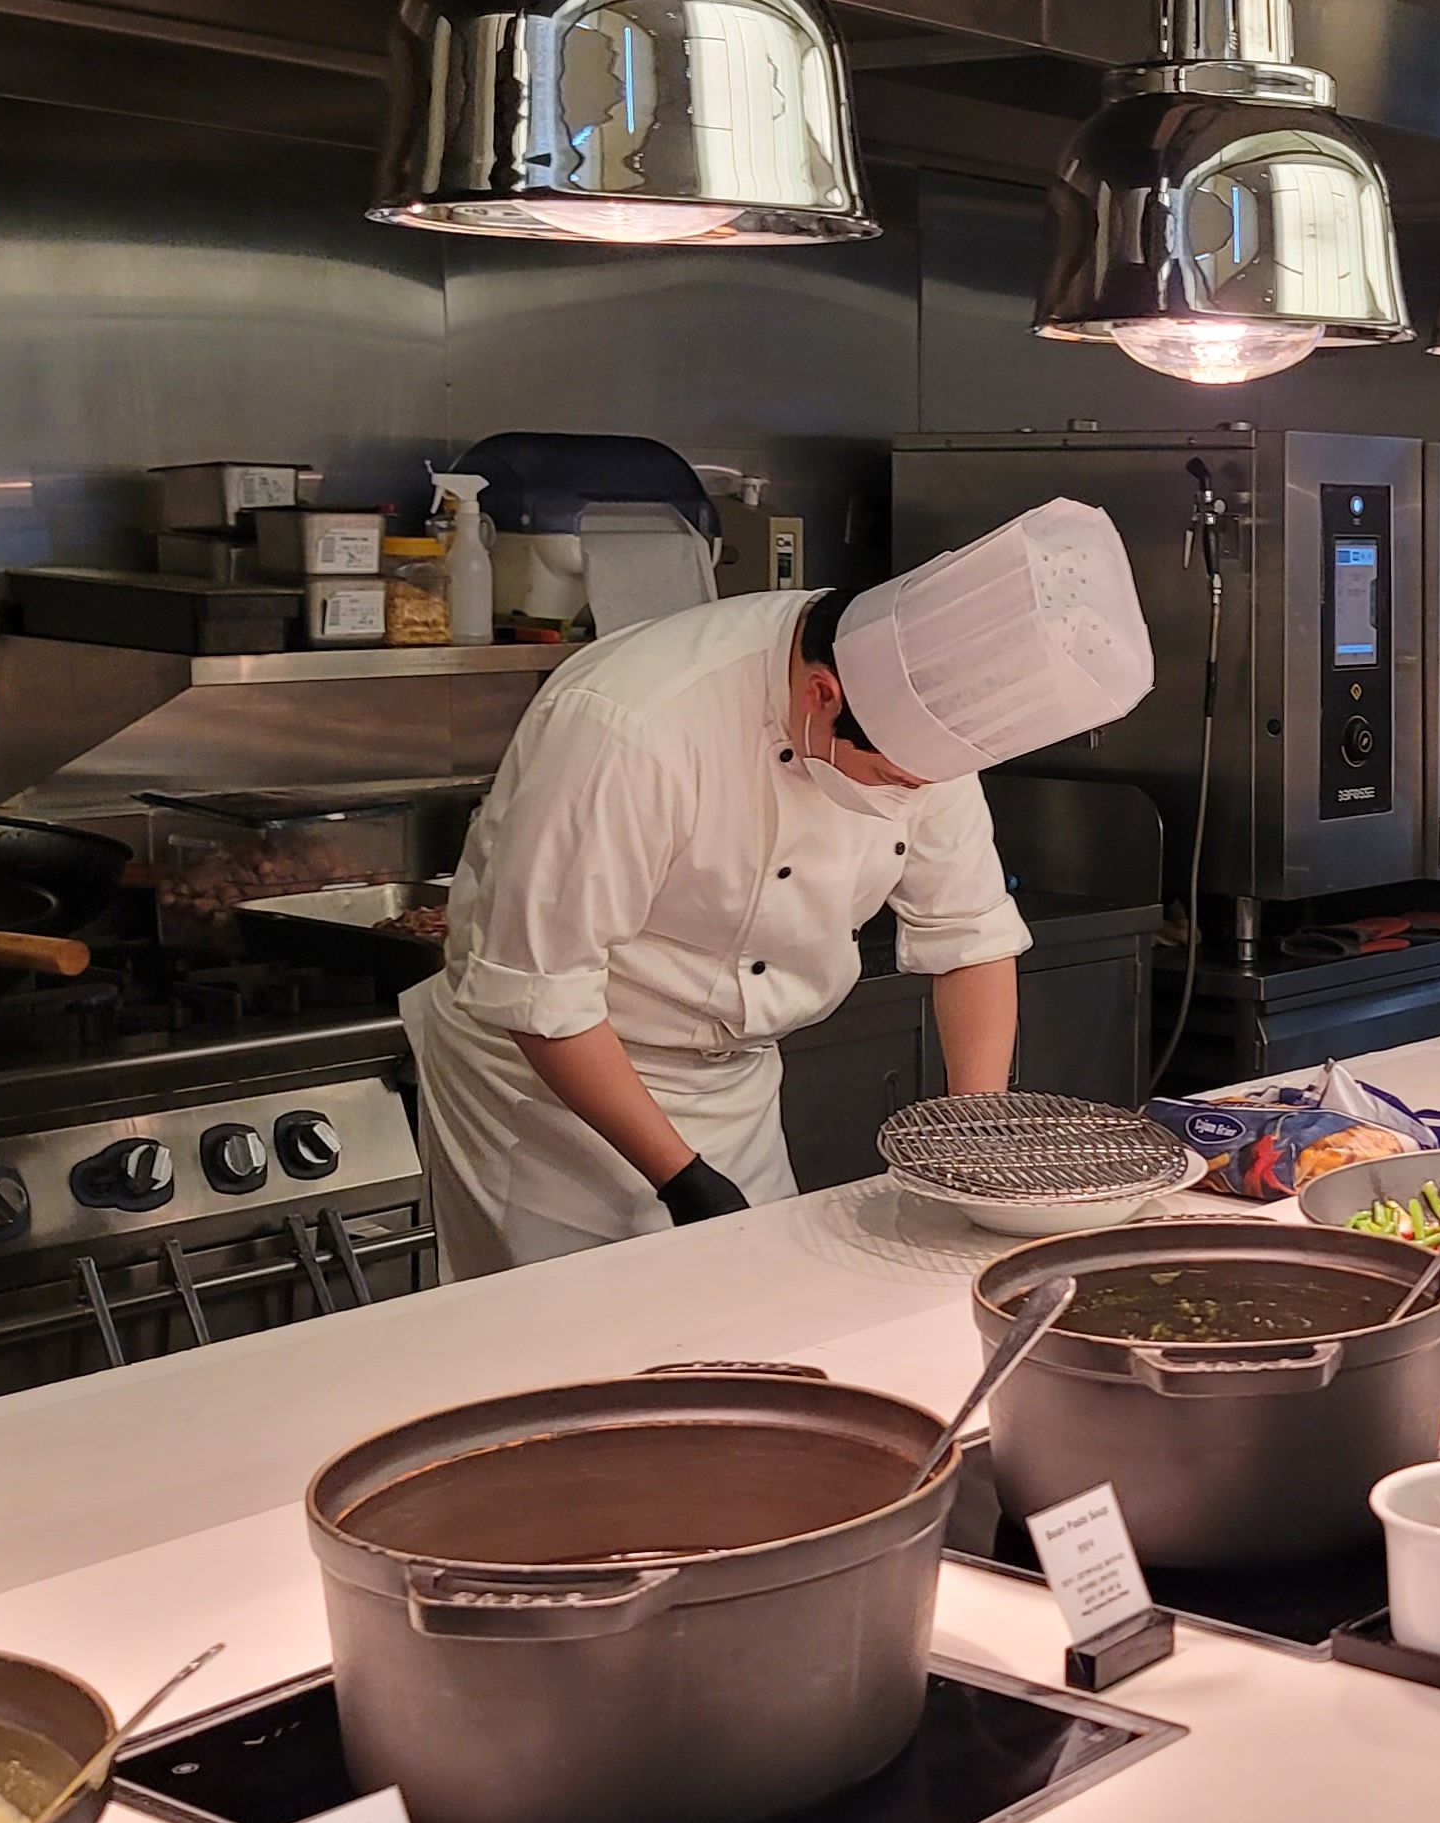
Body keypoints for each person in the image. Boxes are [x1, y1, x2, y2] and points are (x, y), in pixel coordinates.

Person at [402, 498, 1154, 1274]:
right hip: (551, 1101)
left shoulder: (920, 720)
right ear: (821, 696)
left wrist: (972, 1129)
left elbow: (971, 937)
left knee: (753, 1311)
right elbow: (543, 996)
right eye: (892, 779)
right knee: (568, 1334)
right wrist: (683, 1178)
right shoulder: (630, 726)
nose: (910, 796)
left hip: (737, 1085)